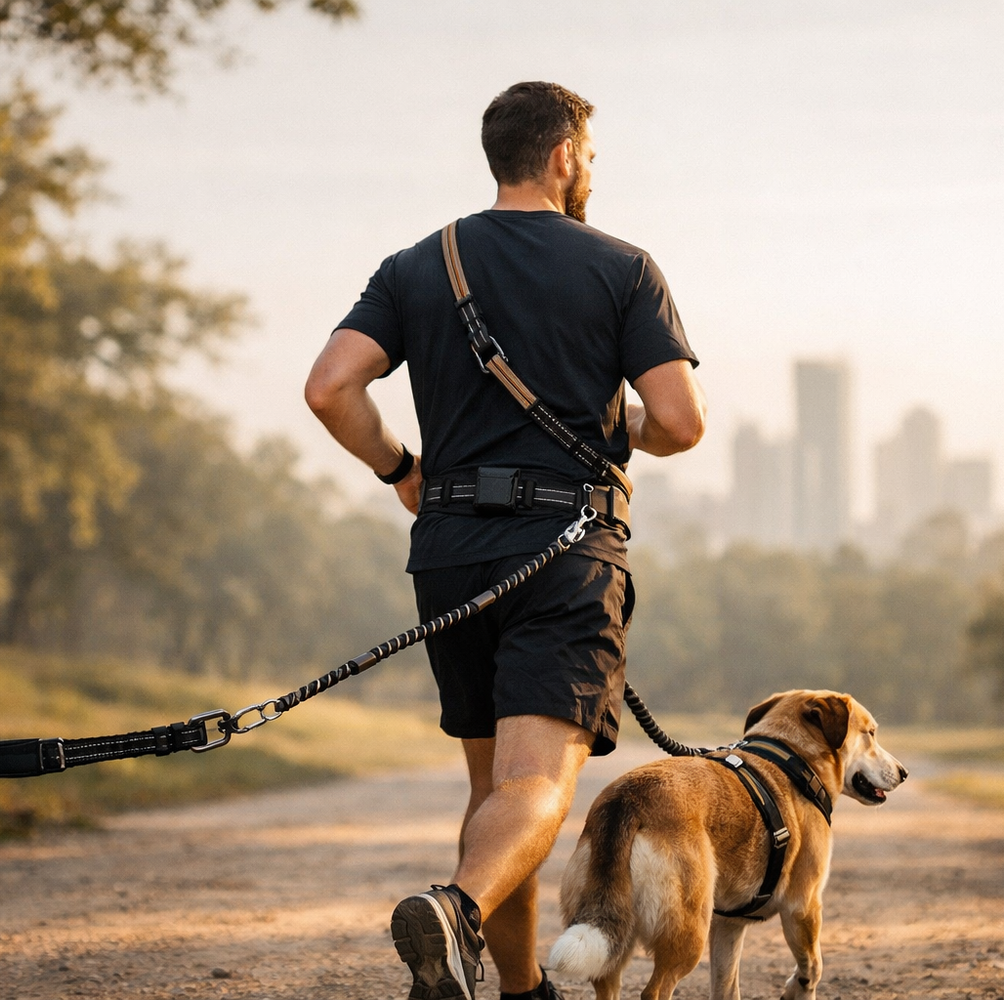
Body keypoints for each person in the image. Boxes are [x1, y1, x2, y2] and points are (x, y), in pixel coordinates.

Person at [305, 81, 706, 1000]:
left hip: (449, 547)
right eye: (592, 157)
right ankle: (455, 910)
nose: (592, 173)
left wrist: (400, 470)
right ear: (565, 153)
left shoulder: (417, 264)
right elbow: (681, 423)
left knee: (496, 793)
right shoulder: (622, 267)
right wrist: (621, 420)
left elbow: (330, 387)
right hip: (563, 545)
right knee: (538, 783)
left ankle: (519, 992)